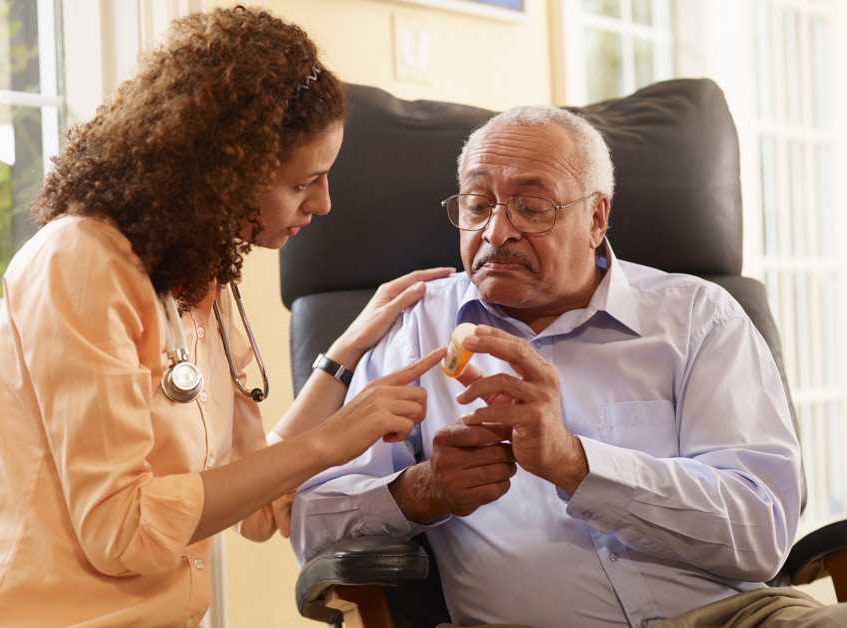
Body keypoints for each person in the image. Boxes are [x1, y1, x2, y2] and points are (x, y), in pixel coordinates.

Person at [0, 7, 452, 627]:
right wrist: (330, 441)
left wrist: (341, 360)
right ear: (225, 172)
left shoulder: (203, 277)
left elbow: (256, 506)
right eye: (303, 182)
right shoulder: (79, 262)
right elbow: (122, 530)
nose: (324, 203)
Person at [290, 105, 830, 626]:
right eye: (478, 204)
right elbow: (312, 526)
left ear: (596, 217)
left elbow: (762, 531)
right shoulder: (416, 329)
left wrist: (577, 464)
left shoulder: (697, 316)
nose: (496, 233)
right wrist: (422, 491)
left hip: (736, 619)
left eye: (531, 206)